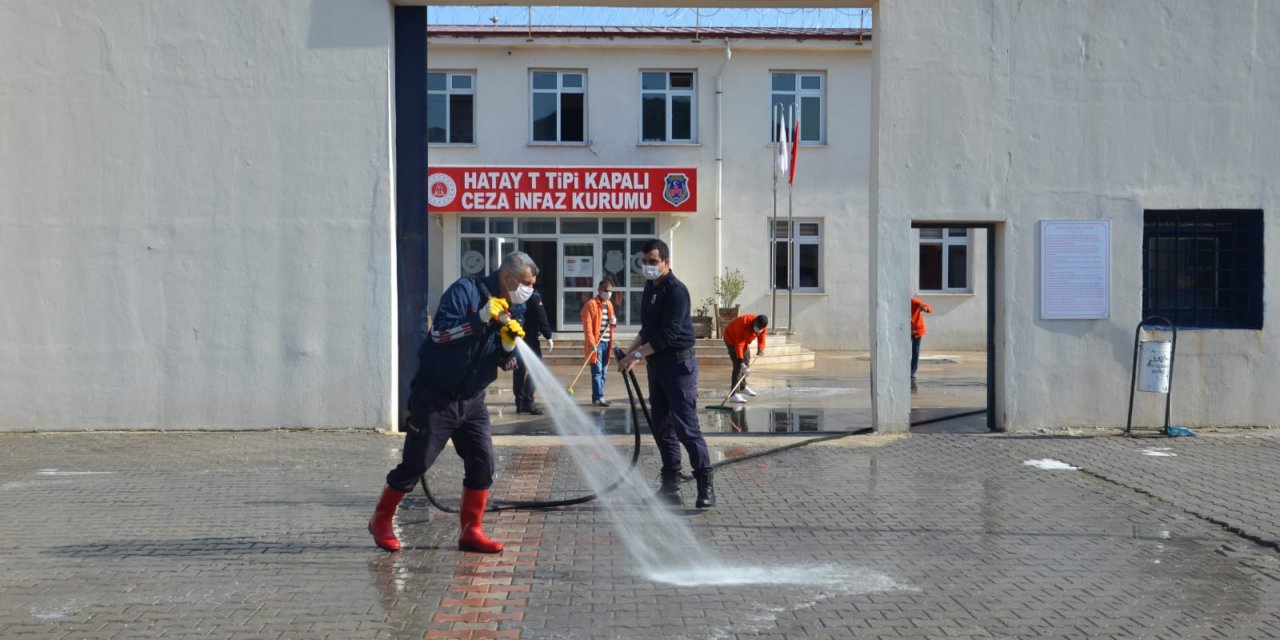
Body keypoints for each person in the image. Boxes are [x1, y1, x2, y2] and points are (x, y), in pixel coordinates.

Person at [368, 251, 537, 554]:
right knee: (416, 463)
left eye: (531, 285)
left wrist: (509, 349)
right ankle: (380, 520)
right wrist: (481, 318)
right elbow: (440, 336)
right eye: (524, 283)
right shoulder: (465, 291)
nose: (527, 290)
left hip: (472, 399)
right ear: (507, 277)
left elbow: (503, 361)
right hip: (436, 395)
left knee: (483, 463)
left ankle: (471, 531)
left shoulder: (516, 307)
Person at [619, 239, 715, 509]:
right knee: (662, 428)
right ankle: (671, 486)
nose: (648, 267)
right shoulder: (650, 289)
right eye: (645, 261)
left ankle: (705, 484)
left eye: (653, 261)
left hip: (678, 367)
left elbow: (669, 334)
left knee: (687, 428)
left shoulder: (676, 291)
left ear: (665, 263)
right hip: (657, 367)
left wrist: (636, 356)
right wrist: (629, 353)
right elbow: (647, 330)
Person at [513, 288, 553, 415]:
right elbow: (541, 315)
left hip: (516, 337)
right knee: (537, 369)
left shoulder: (514, 293)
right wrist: (548, 335)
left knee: (519, 370)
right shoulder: (533, 294)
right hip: (530, 338)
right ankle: (528, 402)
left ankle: (519, 403)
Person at [580, 277, 618, 407]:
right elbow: (587, 327)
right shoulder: (591, 304)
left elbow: (611, 324)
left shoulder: (609, 304)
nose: (608, 293)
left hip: (607, 341)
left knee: (604, 371)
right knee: (597, 371)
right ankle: (597, 397)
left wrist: (613, 322)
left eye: (610, 291)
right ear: (599, 290)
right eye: (606, 290)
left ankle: (600, 395)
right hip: (596, 344)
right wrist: (591, 343)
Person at [723, 314, 768, 403]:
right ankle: (734, 394)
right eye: (757, 327)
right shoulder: (744, 325)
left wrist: (761, 348)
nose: (758, 330)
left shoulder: (762, 325)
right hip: (731, 339)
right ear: (754, 322)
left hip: (745, 341)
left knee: (746, 360)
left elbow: (762, 338)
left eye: (760, 328)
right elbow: (739, 345)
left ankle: (742, 387)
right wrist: (741, 363)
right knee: (738, 366)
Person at [911, 296, 932, 384]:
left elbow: (927, 307)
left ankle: (912, 372)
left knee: (915, 351)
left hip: (917, 330)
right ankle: (902, 369)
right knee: (902, 351)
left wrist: (925, 308)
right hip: (905, 331)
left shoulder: (913, 301)